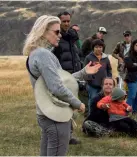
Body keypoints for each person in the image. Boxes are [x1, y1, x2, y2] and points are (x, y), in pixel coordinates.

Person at [23, 15, 101, 156]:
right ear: (43, 31)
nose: (60, 35)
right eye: (57, 32)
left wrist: (84, 72)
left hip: (47, 112)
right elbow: (57, 87)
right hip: (56, 116)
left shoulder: (37, 53)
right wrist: (78, 104)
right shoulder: (43, 55)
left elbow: (57, 81)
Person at [52, 11, 83, 145]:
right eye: (63, 21)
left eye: (68, 21)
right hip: (61, 76)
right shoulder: (55, 37)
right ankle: (60, 136)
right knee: (61, 106)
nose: (66, 23)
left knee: (70, 107)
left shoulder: (72, 37)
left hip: (73, 76)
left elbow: (76, 56)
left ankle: (68, 135)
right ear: (59, 22)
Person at [84, 39, 112, 114]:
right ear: (93, 48)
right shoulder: (89, 58)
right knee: (93, 101)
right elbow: (85, 71)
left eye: (100, 47)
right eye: (96, 47)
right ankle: (91, 117)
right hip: (92, 85)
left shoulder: (105, 58)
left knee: (103, 101)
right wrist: (90, 79)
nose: (98, 49)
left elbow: (109, 69)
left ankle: (100, 118)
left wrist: (109, 79)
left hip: (103, 85)